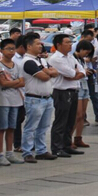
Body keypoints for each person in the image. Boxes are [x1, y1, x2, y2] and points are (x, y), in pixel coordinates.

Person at [20, 34, 59, 163]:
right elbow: (44, 77)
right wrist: (48, 72)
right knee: (31, 127)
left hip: (47, 98)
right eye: (37, 43)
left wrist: (47, 71)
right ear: (29, 46)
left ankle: (41, 150)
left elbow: (55, 72)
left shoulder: (41, 60)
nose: (40, 45)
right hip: (34, 99)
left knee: (43, 126)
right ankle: (27, 151)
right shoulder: (28, 61)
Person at [48, 34, 85, 158]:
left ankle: (67, 145)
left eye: (71, 42)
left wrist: (76, 74)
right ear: (58, 44)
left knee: (71, 120)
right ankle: (57, 147)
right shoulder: (55, 59)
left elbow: (81, 70)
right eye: (67, 42)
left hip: (73, 90)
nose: (70, 44)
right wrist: (74, 73)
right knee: (61, 120)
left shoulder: (70, 57)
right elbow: (70, 72)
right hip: (62, 91)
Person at [0, 39, 25, 166]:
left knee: (12, 127)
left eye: (13, 48)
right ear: (1, 50)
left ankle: (9, 153)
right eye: (8, 49)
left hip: (16, 100)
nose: (11, 51)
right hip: (2, 100)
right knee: (2, 128)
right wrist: (15, 82)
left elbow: (22, 82)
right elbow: (3, 83)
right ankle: (0, 155)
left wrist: (12, 83)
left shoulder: (17, 65)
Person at [72, 40, 93, 149]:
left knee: (82, 115)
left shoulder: (82, 60)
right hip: (77, 86)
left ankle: (78, 137)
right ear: (80, 49)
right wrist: (84, 71)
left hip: (84, 85)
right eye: (86, 51)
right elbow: (74, 71)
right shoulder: (72, 58)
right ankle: (69, 138)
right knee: (77, 114)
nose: (86, 54)